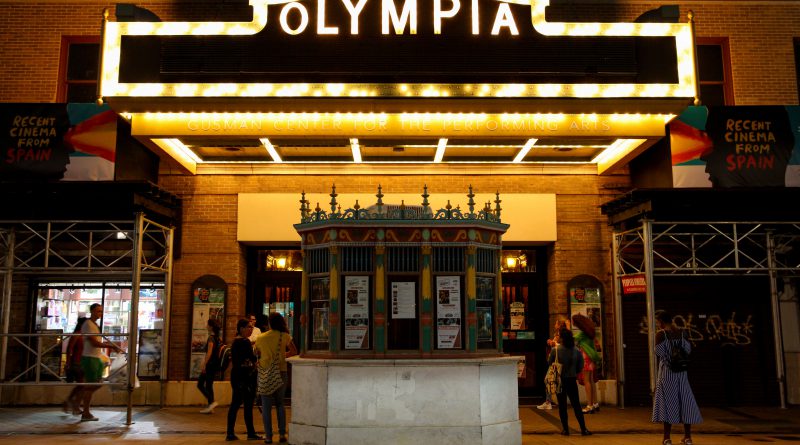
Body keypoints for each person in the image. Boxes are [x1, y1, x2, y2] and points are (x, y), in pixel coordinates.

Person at [652, 311, 702, 445]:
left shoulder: (660, 335)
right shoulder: (682, 333)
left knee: (668, 405)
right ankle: (688, 437)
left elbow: (659, 353)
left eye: (658, 322)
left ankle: (667, 438)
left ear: (661, 322)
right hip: (682, 374)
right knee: (685, 403)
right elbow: (688, 350)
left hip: (667, 374)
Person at [255, 313, 298, 444]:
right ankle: (282, 434)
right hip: (281, 372)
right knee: (280, 404)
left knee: (266, 407)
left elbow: (257, 353)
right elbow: (294, 352)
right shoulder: (284, 336)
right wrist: (281, 355)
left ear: (269, 323)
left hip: (265, 374)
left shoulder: (260, 337)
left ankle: (268, 437)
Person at [78, 304, 123, 422]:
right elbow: (94, 342)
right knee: (91, 385)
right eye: (98, 311)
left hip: (95, 357)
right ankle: (85, 411)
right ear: (92, 311)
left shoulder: (94, 325)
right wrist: (110, 345)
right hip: (90, 357)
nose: (100, 314)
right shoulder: (88, 324)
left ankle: (78, 401)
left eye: (101, 311)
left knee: (97, 383)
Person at [548, 327, 591, 436]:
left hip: (560, 380)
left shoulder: (555, 350)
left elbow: (549, 362)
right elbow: (580, 366)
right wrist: (573, 371)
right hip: (572, 379)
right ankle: (583, 429)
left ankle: (565, 429)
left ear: (561, 338)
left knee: (562, 406)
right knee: (576, 405)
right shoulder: (576, 350)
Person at [226, 319, 262, 441]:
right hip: (246, 377)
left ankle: (230, 432)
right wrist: (257, 354)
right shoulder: (245, 342)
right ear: (241, 328)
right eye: (248, 327)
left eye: (252, 327)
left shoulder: (235, 341)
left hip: (236, 376)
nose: (251, 329)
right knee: (246, 406)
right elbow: (252, 358)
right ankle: (250, 433)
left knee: (235, 405)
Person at [572, 313, 602, 414]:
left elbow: (571, 340)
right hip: (590, 358)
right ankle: (595, 403)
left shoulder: (581, 334)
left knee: (586, 381)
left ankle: (589, 405)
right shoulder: (589, 332)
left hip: (585, 358)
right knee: (591, 380)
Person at [537, 318, 568, 410]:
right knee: (552, 380)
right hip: (556, 360)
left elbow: (561, 346)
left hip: (556, 362)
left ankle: (549, 402)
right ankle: (550, 401)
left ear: (559, 325)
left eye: (556, 323)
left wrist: (552, 343)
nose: (554, 325)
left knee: (548, 380)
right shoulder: (558, 334)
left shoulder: (561, 334)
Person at [63, 316, 88, 415]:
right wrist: (68, 362)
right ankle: (74, 405)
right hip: (76, 363)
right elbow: (69, 349)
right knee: (82, 385)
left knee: (81, 385)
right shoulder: (77, 335)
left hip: (82, 362)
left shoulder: (84, 335)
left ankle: (71, 403)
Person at [198, 318, 221, 414]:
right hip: (214, 364)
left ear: (211, 326)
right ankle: (210, 407)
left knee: (200, 384)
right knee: (208, 385)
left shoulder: (211, 338)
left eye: (207, 324)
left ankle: (212, 402)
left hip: (210, 364)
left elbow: (209, 352)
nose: (206, 326)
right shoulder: (218, 338)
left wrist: (204, 364)